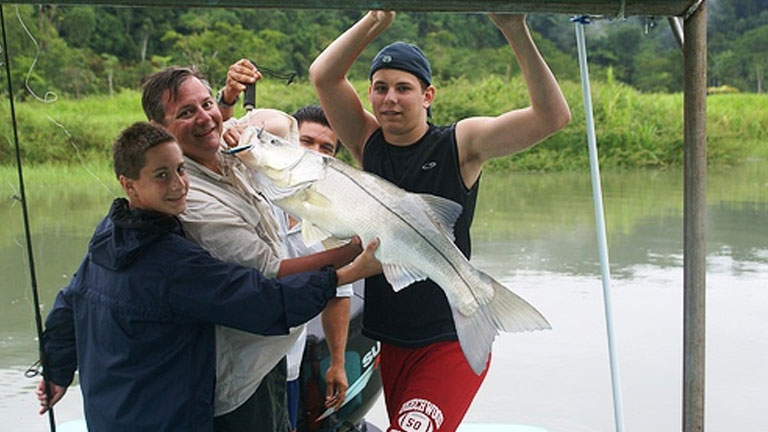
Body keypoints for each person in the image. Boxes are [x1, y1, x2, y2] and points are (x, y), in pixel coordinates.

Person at [309, 11, 571, 431]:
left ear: (428, 95)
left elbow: (552, 118)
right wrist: (377, 18)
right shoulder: (366, 142)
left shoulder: (460, 143)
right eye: (380, 88)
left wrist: (513, 28)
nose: (390, 98)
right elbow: (324, 76)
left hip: (451, 339)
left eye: (403, 88)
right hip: (392, 341)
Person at [35, 122, 381, 431]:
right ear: (129, 185)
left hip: (108, 412)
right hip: (165, 418)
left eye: (181, 170)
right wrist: (348, 270)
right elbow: (264, 301)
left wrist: (56, 370)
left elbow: (69, 301)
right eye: (161, 175)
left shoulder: (108, 232)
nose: (179, 185)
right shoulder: (175, 263)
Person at [141, 66, 364, 432]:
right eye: (185, 112)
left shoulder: (233, 155)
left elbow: (282, 126)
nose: (203, 118)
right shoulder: (191, 198)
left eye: (206, 104)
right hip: (239, 377)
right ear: (160, 129)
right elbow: (269, 271)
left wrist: (226, 108)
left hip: (274, 357)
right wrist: (355, 251)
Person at [277, 105, 353, 432]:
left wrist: (337, 362)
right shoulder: (253, 191)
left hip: (288, 366)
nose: (315, 154)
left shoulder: (333, 219)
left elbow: (338, 292)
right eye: (306, 142)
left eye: (327, 149)